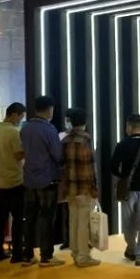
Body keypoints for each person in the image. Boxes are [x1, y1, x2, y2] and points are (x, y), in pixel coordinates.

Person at [21, 95, 64, 267]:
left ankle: (27, 255)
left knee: (29, 217)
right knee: (46, 217)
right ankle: (46, 256)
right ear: (50, 109)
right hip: (47, 179)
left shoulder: (25, 128)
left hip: (29, 178)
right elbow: (57, 155)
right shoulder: (49, 129)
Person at [111, 114, 140, 266]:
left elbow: (113, 166)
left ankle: (131, 249)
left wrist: (123, 176)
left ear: (129, 127)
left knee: (128, 222)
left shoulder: (122, 144)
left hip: (128, 189)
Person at [0, 102, 26, 263]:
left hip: (2, 181)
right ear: (14, 115)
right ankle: (17, 253)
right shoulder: (13, 132)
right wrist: (29, 149)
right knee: (18, 219)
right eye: (21, 117)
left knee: (0, 219)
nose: (20, 121)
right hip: (16, 180)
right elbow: (18, 155)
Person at [61, 108, 100, 267]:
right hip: (84, 186)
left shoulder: (65, 140)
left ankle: (76, 252)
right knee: (84, 222)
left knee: (73, 220)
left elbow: (63, 165)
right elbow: (89, 166)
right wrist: (94, 187)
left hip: (70, 186)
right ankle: (84, 256)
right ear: (85, 121)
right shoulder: (85, 139)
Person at [57, 109, 75, 251]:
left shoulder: (83, 137)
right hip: (64, 179)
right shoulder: (60, 136)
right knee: (65, 211)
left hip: (77, 179)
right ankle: (67, 239)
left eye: (69, 120)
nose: (67, 122)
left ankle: (80, 239)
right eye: (66, 120)